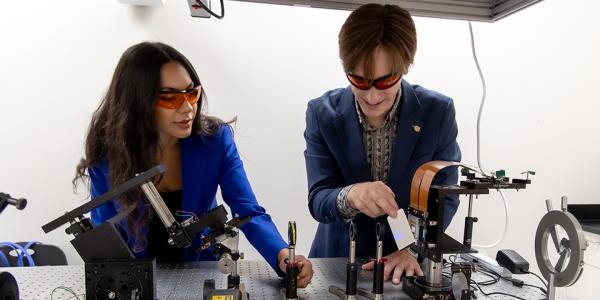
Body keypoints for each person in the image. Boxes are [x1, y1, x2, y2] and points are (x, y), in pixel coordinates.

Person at [74, 42, 313, 286]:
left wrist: (282, 256)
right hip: (138, 279)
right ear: (137, 102)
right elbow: (107, 236)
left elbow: (247, 210)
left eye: (192, 93)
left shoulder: (215, 141)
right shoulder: (109, 154)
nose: (188, 108)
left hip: (201, 273)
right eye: (169, 98)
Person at [304, 4, 461, 284]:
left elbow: (446, 197)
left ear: (404, 67)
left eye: (386, 80)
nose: (373, 96)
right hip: (337, 266)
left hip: (403, 268)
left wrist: (412, 248)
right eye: (359, 81)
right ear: (345, 67)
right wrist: (351, 195)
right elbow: (318, 199)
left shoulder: (437, 112)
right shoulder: (321, 114)